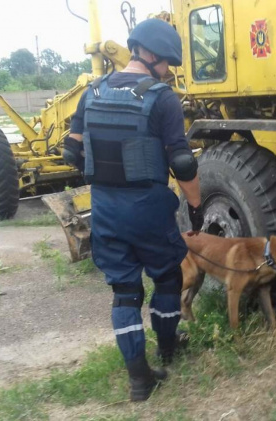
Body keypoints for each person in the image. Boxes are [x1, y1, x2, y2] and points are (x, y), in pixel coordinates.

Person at [63, 18, 203, 402]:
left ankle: (139, 378)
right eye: (168, 64)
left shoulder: (91, 92)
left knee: (125, 292)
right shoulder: (162, 98)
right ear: (152, 55)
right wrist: (195, 205)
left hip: (106, 208)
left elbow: (71, 151)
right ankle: (169, 348)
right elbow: (184, 163)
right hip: (148, 208)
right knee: (167, 279)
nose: (170, 72)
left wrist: (106, 176)